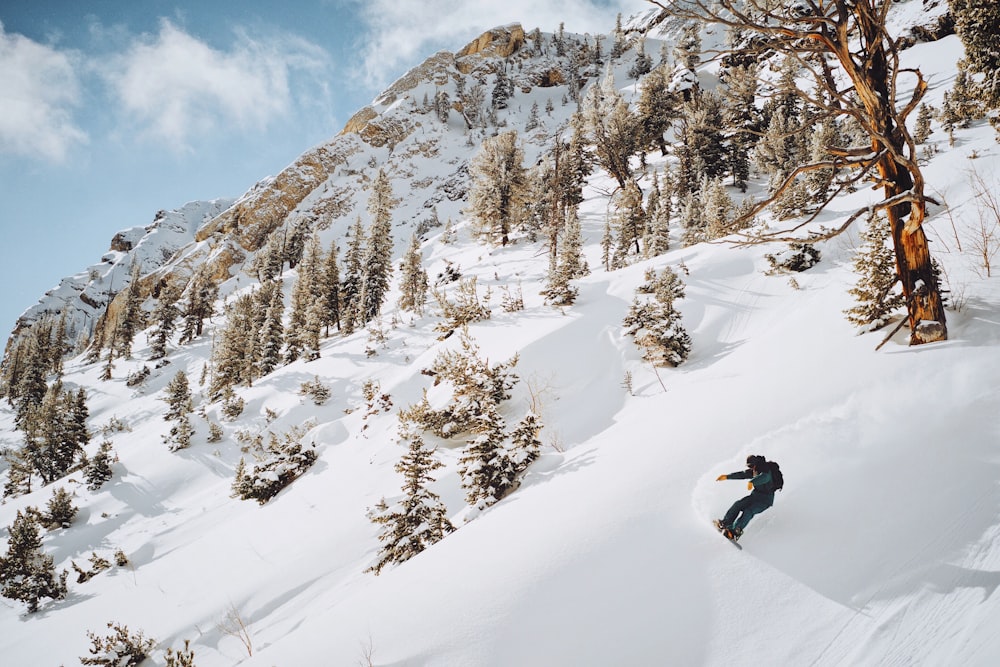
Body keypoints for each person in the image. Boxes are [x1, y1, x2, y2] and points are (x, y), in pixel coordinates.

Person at [715, 455, 775, 541]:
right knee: (738, 504)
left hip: (765, 501)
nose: (750, 468)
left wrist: (752, 481)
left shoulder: (765, 470)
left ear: (755, 464)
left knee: (749, 511)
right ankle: (726, 523)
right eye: (748, 466)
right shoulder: (754, 470)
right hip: (755, 496)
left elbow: (765, 477)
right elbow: (742, 474)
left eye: (751, 466)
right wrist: (727, 476)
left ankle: (735, 532)